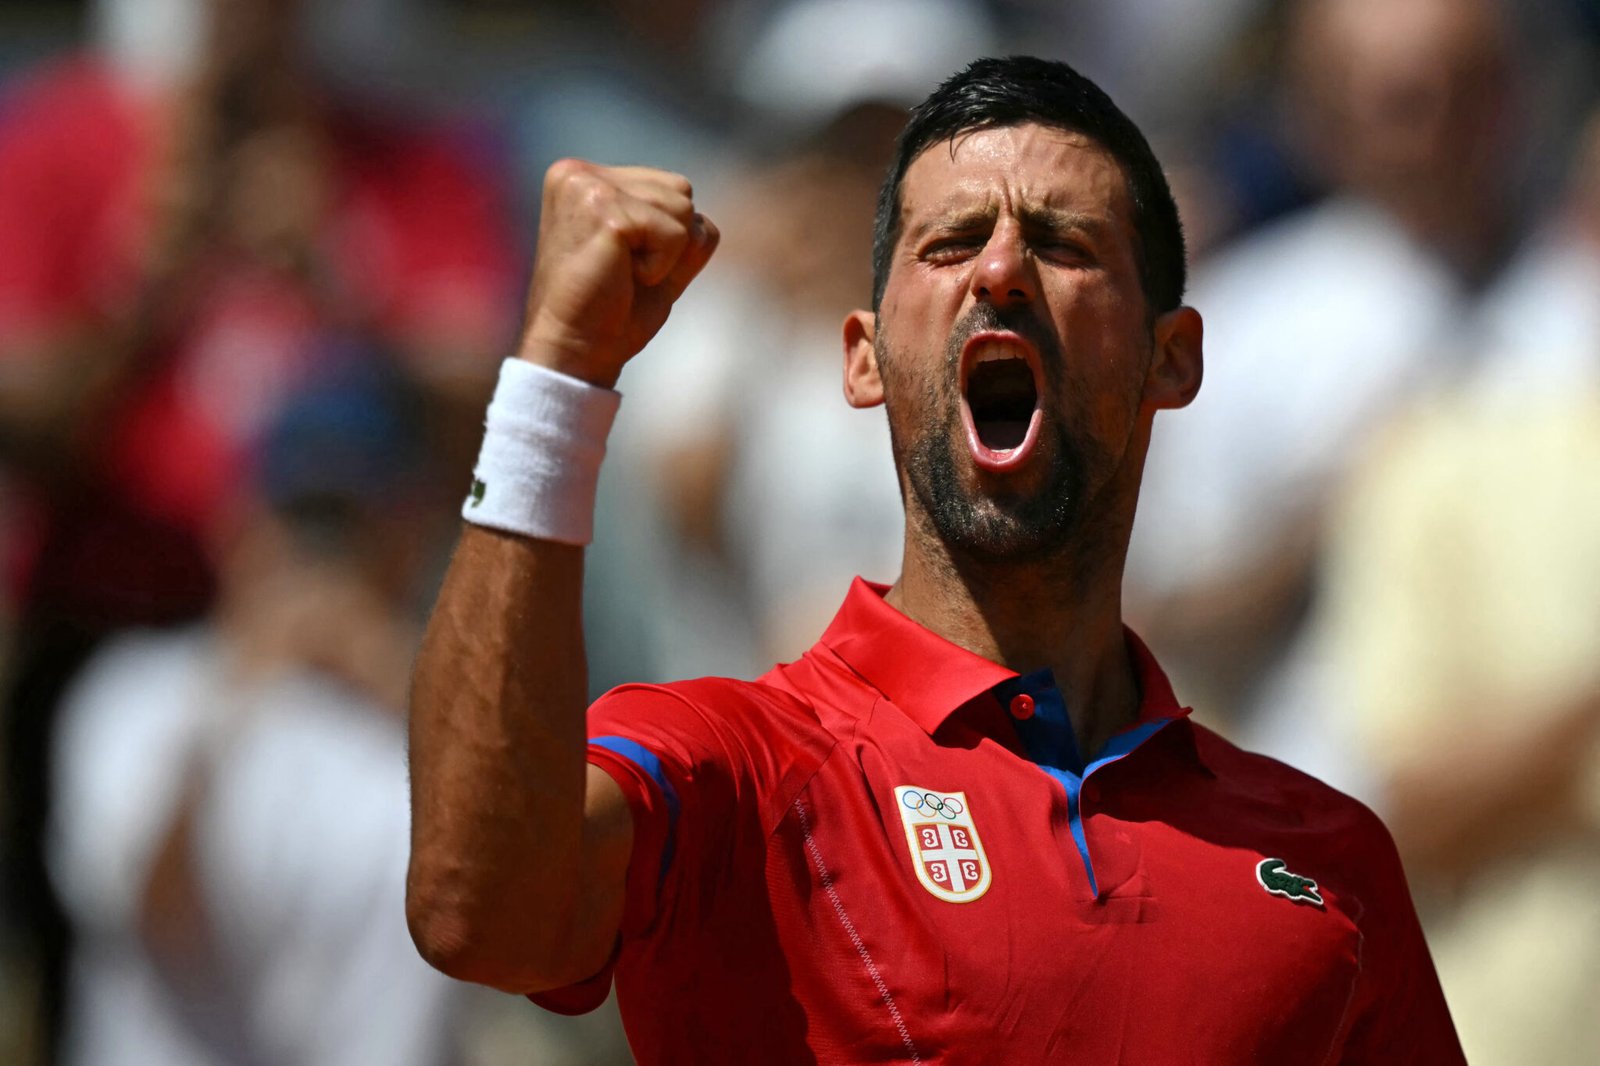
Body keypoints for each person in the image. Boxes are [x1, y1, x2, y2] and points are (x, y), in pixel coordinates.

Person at [406, 57, 1463, 1063]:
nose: (1000, 270)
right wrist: (555, 373)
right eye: (951, 242)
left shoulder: (1329, 861)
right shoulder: (735, 767)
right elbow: (479, 909)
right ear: (863, 358)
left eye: (1061, 242)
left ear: (1170, 357)